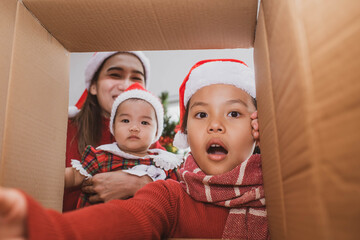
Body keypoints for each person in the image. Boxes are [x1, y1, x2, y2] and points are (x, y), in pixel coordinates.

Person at [0, 59, 268, 239]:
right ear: (186, 133)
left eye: (233, 113)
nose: (215, 125)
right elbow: (129, 217)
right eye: (201, 115)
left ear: (257, 127)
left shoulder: (279, 188)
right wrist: (37, 226)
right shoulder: (172, 197)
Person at [64, 51, 172, 212]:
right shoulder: (64, 129)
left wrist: (136, 183)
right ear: (93, 86)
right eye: (115, 75)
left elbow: (177, 189)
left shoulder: (151, 145)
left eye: (136, 78)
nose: (126, 86)